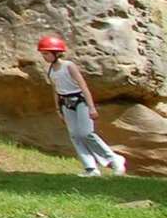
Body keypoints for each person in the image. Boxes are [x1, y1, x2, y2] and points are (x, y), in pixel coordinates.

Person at [39, 35, 127, 177]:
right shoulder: (50, 70)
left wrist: (91, 107)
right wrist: (58, 109)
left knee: (86, 133)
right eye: (43, 54)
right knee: (75, 135)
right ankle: (90, 168)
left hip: (80, 100)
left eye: (47, 54)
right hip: (65, 103)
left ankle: (114, 159)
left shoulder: (69, 66)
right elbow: (55, 90)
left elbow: (83, 86)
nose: (44, 57)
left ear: (56, 53)